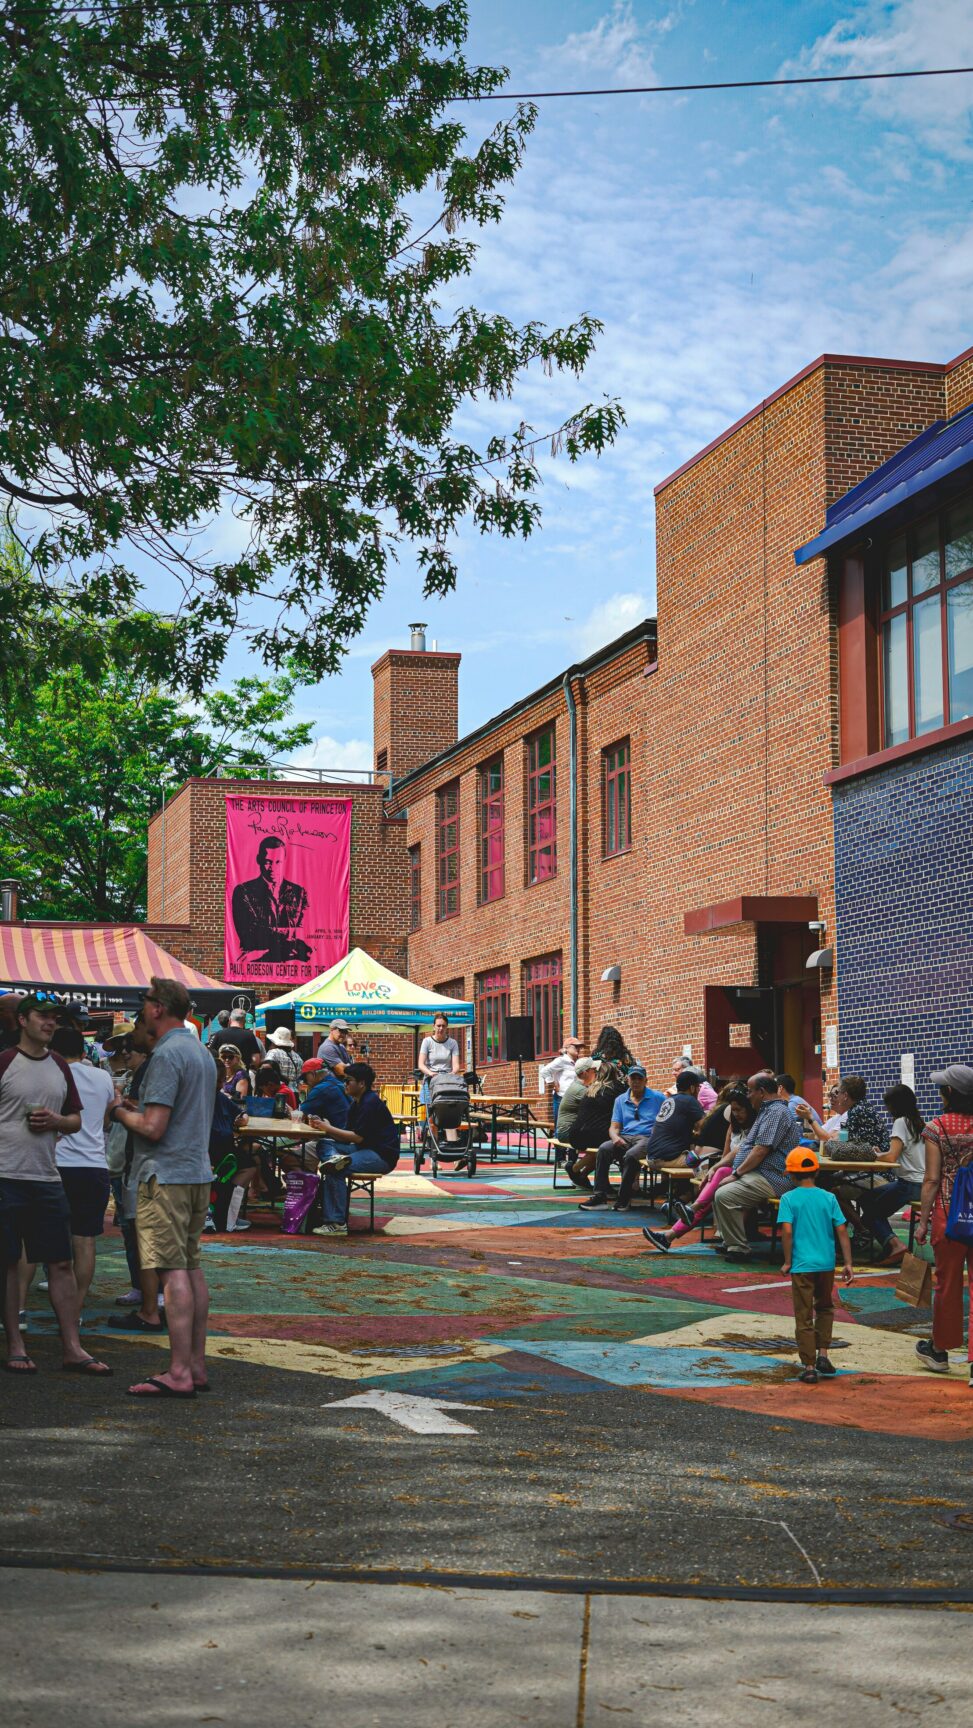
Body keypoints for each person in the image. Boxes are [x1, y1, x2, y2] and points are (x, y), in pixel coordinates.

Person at [111, 976, 217, 1399]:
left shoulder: (166, 1055)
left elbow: (153, 1128)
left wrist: (120, 1112)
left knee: (172, 1270)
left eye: (145, 1005)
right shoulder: (200, 1052)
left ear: (158, 1008)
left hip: (164, 1174)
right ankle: (195, 1366)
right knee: (191, 1267)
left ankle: (177, 1372)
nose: (142, 1014)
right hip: (195, 1171)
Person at [0, 994, 110, 1376]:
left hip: (48, 1176)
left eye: (54, 1018)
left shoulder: (60, 1065)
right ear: (22, 1020)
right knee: (10, 1262)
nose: (50, 1023)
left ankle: (73, 1348)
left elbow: (76, 1119)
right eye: (43, 1017)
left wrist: (56, 1122)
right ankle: (15, 1344)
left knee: (61, 1261)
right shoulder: (5, 1062)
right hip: (6, 1175)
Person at [48, 1025, 116, 1320]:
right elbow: (106, 1123)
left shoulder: (52, 1075)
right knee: (85, 1239)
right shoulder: (103, 1077)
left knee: (44, 1241)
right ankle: (75, 1307)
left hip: (55, 1164)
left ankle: (21, 1307)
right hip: (93, 1166)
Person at [105, 1013, 165, 1333]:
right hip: (124, 1163)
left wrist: (120, 1109)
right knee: (133, 1232)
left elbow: (148, 1125)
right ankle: (144, 1291)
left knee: (144, 1234)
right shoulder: (130, 1075)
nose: (124, 1053)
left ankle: (153, 1298)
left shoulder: (151, 1073)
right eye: (119, 1049)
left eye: (129, 1047)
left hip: (139, 1166)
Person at [642, 1086, 755, 1252]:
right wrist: (712, 1172)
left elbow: (738, 1153)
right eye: (734, 1110)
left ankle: (691, 1209)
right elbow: (726, 1155)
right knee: (710, 1194)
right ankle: (668, 1236)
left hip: (747, 1172)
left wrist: (716, 1169)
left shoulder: (756, 1127)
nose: (736, 1114)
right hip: (729, 1175)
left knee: (719, 1175)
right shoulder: (733, 1126)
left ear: (749, 1109)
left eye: (740, 1110)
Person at [914, 1064, 973, 1380]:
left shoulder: (937, 1127)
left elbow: (931, 1179)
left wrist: (922, 1222)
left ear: (949, 1093)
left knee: (947, 1285)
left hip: (949, 1216)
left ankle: (940, 1350)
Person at [779, 1148, 854, 1385]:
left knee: (803, 1315)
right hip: (826, 1264)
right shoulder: (829, 1198)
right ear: (817, 1171)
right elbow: (842, 1229)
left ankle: (809, 1366)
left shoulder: (788, 1199)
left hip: (802, 1265)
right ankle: (823, 1354)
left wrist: (788, 1260)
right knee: (825, 1307)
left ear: (791, 1174)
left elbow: (787, 1231)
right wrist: (849, 1262)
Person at [711, 1071, 801, 1260]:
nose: (748, 1095)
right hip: (761, 1174)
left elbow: (761, 1149)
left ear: (761, 1092)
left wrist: (736, 1174)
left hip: (774, 1177)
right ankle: (731, 1243)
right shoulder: (767, 1111)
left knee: (725, 1194)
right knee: (720, 1188)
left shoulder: (776, 1112)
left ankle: (738, 1248)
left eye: (750, 1091)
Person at [310, 1062, 400, 1238]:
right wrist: (326, 1128)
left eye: (348, 1081)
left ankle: (336, 1223)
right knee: (323, 1144)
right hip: (362, 1148)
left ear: (362, 1084)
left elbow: (357, 1137)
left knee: (334, 1170)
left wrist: (327, 1128)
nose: (345, 1084)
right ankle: (334, 1157)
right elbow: (346, 1136)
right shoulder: (356, 1103)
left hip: (381, 1156)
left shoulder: (369, 1103)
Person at [856, 1085, 927, 1267]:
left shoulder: (900, 1122)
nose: (887, 1111)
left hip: (908, 1184)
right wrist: (883, 1153)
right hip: (922, 1184)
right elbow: (901, 1153)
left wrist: (875, 1155)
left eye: (888, 1106)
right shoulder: (919, 1122)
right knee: (867, 1200)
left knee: (870, 1214)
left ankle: (895, 1245)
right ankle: (890, 1241)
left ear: (895, 1106)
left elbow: (892, 1157)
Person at [577, 1065, 665, 1211]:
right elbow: (614, 1127)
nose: (636, 1081)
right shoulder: (620, 1100)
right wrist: (615, 1137)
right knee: (604, 1149)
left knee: (631, 1155)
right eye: (633, 1078)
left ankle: (624, 1197)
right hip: (626, 1136)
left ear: (646, 1081)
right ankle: (600, 1196)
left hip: (647, 1137)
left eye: (639, 1078)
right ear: (627, 1080)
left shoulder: (658, 1098)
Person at [231, 835, 311, 964]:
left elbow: (304, 932)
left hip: (290, 964)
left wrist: (267, 945)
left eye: (278, 862)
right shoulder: (243, 891)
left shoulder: (299, 893)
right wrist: (289, 937)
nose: (273, 868)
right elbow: (250, 934)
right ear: (259, 860)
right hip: (256, 965)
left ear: (284, 861)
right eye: (268, 862)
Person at [207, 1063, 254, 1233]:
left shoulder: (221, 1098)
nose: (220, 1084)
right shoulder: (197, 1096)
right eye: (217, 1080)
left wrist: (242, 1119)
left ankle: (227, 1212)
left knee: (251, 1163)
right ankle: (222, 1213)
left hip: (224, 1151)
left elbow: (242, 1114)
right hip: (204, 1153)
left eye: (221, 1080)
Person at [798, 1075, 890, 1153]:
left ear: (845, 1096)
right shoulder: (862, 1107)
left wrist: (810, 1117)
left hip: (873, 1168)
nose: (835, 1097)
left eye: (838, 1093)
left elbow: (838, 1143)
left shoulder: (857, 1112)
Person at [539, 1036, 584, 1127]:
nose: (578, 1049)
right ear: (566, 1048)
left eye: (579, 1047)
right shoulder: (561, 1061)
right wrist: (552, 1083)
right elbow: (544, 1071)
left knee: (574, 1125)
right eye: (575, 1046)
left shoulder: (578, 1062)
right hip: (562, 1097)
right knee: (561, 1126)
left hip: (575, 1098)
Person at [555, 1056, 597, 1150]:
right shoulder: (580, 1090)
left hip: (569, 1131)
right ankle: (577, 1165)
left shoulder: (578, 1086)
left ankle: (580, 1165)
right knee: (602, 1141)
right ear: (585, 1072)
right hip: (567, 1133)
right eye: (593, 1069)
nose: (596, 1071)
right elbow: (597, 1107)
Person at [263, 1025, 303, 1090]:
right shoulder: (298, 1057)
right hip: (294, 1092)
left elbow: (265, 1071)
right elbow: (299, 1078)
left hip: (277, 1092)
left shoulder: (273, 1053)